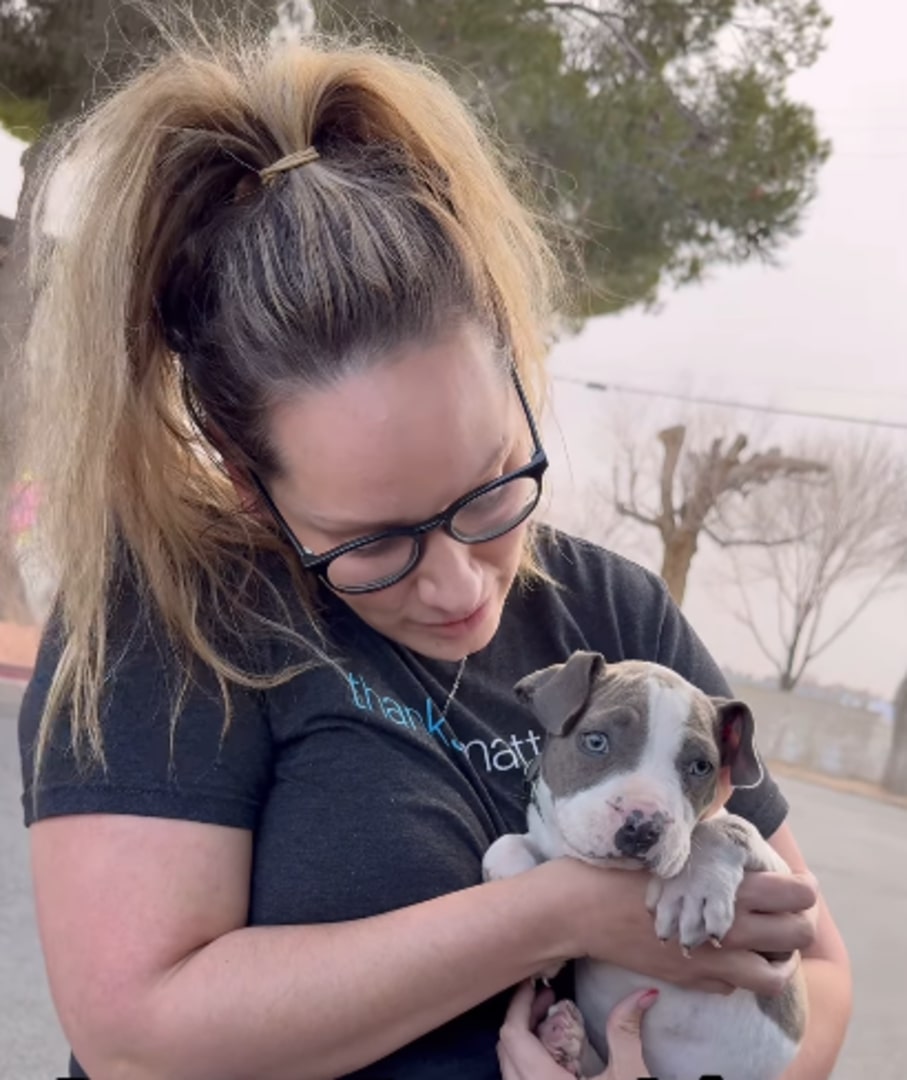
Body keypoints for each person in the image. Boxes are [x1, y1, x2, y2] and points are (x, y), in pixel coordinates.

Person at [16, 24, 851, 1080]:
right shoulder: (175, 621)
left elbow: (819, 974)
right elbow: (138, 1037)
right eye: (371, 543)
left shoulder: (618, 613)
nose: (461, 587)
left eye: (494, 490)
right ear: (241, 472)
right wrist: (557, 914)